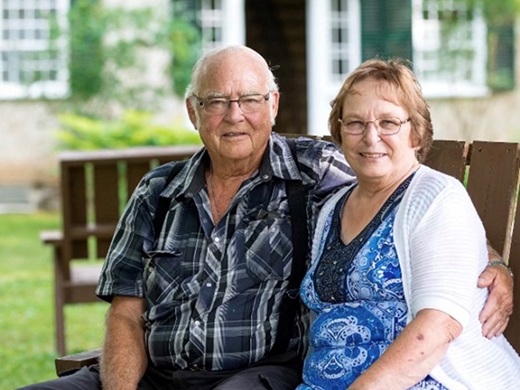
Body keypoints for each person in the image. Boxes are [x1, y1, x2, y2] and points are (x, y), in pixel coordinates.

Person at [19, 46, 513, 390]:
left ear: (272, 105)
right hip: (155, 373)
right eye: (216, 102)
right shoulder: (157, 191)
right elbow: (125, 313)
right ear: (193, 112)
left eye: (250, 100)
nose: (234, 115)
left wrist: (495, 264)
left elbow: (419, 211)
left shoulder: (316, 173)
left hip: (256, 376)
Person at [297, 58, 520, 390]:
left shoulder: (437, 198)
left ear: (416, 133)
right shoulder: (333, 207)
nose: (371, 137)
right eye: (355, 123)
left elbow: (437, 328)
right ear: (340, 133)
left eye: (388, 122)